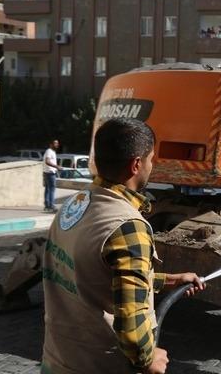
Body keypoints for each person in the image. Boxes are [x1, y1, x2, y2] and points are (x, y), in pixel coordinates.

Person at [41, 118, 205, 374]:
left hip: (57, 360)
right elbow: (132, 329)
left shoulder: (74, 205)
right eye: (151, 158)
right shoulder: (128, 226)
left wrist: (171, 280)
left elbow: (93, 276)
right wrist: (148, 358)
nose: (152, 165)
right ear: (136, 165)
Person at [43, 139, 61, 212]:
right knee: (52, 189)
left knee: (48, 189)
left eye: (57, 143)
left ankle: (47, 206)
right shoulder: (49, 151)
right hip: (50, 172)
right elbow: (47, 161)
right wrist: (57, 167)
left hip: (48, 172)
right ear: (51, 144)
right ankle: (51, 206)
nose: (57, 145)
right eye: (55, 143)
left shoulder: (52, 152)